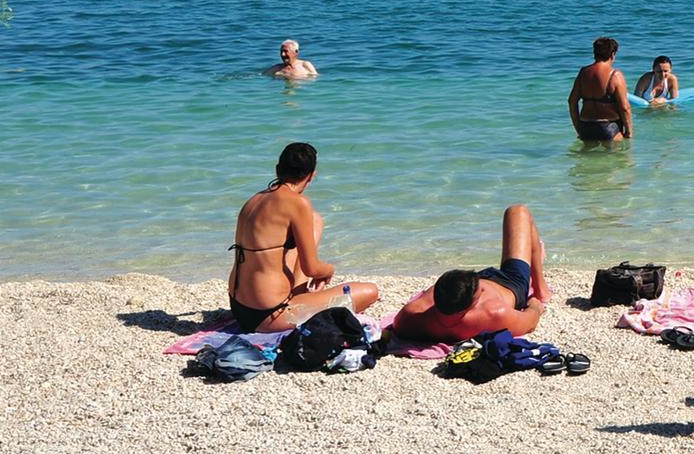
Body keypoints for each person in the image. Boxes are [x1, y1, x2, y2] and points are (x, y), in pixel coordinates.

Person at [226, 143, 378, 332]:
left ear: (278, 169)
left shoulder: (254, 200)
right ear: (312, 175)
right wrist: (329, 270)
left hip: (239, 306)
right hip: (272, 314)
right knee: (369, 291)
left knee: (314, 220)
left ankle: (301, 295)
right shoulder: (298, 203)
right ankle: (302, 299)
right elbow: (311, 268)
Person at [390, 205, 551, 342]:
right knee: (518, 211)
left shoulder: (413, 316)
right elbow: (530, 321)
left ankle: (536, 252)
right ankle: (540, 287)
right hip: (511, 282)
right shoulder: (494, 314)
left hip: (466, 284)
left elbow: (398, 324)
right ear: (466, 309)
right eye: (479, 294)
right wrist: (534, 305)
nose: (482, 289)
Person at [569, 36, 633, 143]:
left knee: (587, 154)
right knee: (618, 154)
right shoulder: (615, 75)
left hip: (586, 127)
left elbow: (572, 102)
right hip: (609, 127)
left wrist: (578, 128)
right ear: (613, 54)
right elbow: (625, 108)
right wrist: (629, 132)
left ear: (595, 53)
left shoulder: (583, 73)